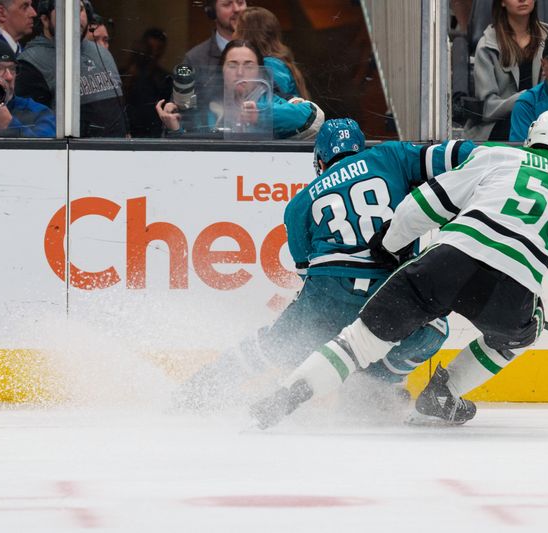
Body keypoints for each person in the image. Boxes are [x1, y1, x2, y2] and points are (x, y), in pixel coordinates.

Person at [249, 110, 548, 429]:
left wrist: (388, 244)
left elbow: (425, 206)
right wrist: (525, 316)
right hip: (509, 288)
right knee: (519, 334)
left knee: (359, 341)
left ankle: (287, 394)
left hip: (448, 262)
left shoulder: (500, 156)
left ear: (527, 140)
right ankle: (442, 394)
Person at [176, 118, 475, 409]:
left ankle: (200, 389)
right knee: (433, 330)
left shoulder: (300, 203)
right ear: (360, 148)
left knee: (273, 346)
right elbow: (457, 154)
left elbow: (306, 272)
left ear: (320, 160)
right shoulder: (389, 156)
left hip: (328, 289)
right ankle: (371, 385)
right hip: (387, 287)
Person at [156, 40, 322, 139]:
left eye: (248, 65)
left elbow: (316, 118)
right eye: (232, 65)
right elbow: (187, 154)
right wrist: (175, 129)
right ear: (222, 69)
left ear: (260, 71)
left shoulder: (274, 100)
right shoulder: (204, 105)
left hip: (261, 186)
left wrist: (263, 114)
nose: (240, 72)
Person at [16, 0, 128, 137]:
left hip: (119, 152)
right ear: (45, 20)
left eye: (80, 9)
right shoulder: (31, 62)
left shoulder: (102, 52)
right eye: (66, 10)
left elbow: (118, 109)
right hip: (72, 155)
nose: (74, 17)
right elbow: (32, 129)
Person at [463, 0, 548, 140]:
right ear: (502, 3)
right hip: (499, 125)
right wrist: (526, 98)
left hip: (542, 121)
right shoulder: (487, 46)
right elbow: (488, 108)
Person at [0, 37, 55, 137]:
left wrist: (7, 123)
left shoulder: (37, 113)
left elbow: (48, 150)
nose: (9, 77)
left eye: (12, 69)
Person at [180, 0, 247, 131]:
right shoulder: (194, 59)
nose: (237, 9)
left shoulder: (264, 52)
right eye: (227, 4)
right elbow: (183, 114)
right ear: (211, 12)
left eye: (240, 2)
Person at [233, 6, 310, 99]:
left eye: (237, 30)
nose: (234, 35)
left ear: (248, 35)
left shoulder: (271, 64)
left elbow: (275, 102)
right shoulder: (272, 63)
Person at [122, 28, 171, 138]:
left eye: (158, 49)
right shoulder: (125, 74)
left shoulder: (164, 78)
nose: (154, 53)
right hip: (128, 134)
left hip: (154, 136)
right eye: (149, 48)